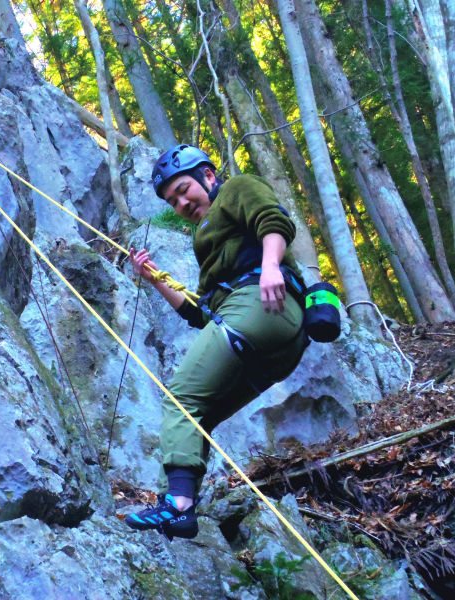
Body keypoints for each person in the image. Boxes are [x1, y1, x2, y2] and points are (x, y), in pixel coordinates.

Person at [124, 144, 308, 540]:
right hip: (276, 344)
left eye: (184, 189)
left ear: (208, 175)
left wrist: (271, 267)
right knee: (198, 414)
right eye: (172, 201)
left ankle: (177, 505)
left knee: (180, 397)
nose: (181, 203)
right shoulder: (207, 240)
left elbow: (273, 220)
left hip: (263, 303)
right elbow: (199, 314)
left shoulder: (238, 188)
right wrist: (154, 278)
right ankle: (178, 506)